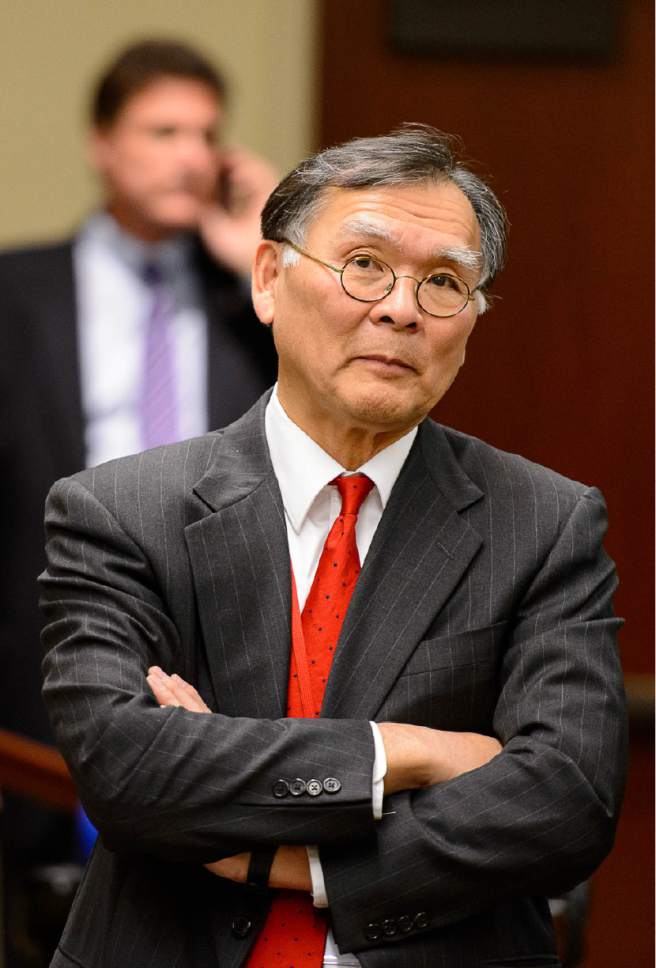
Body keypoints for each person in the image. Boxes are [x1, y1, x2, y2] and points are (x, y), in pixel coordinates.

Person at [39, 125, 627, 968]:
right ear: (271, 278)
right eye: (364, 265)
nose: (399, 308)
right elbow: (131, 773)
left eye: (443, 283)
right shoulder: (120, 510)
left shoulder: (543, 522)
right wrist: (413, 752)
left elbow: (568, 798)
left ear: (471, 320)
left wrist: (294, 865)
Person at [0, 38, 276, 967]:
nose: (191, 156)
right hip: (39, 663)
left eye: (206, 133)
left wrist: (265, 264)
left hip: (225, 651)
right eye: (163, 130)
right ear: (102, 144)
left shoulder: (255, 295)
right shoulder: (15, 290)